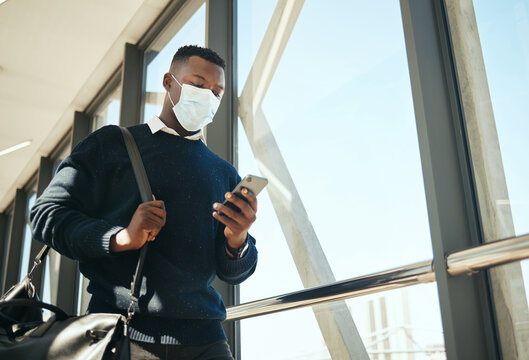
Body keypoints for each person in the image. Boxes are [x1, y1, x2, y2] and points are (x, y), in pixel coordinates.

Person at [30, 45, 258, 360]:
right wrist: (120, 238)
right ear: (168, 82)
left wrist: (238, 239)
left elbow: (233, 272)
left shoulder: (224, 172)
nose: (208, 97)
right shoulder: (109, 144)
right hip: (123, 336)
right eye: (197, 85)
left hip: (208, 342)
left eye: (217, 92)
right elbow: (45, 214)